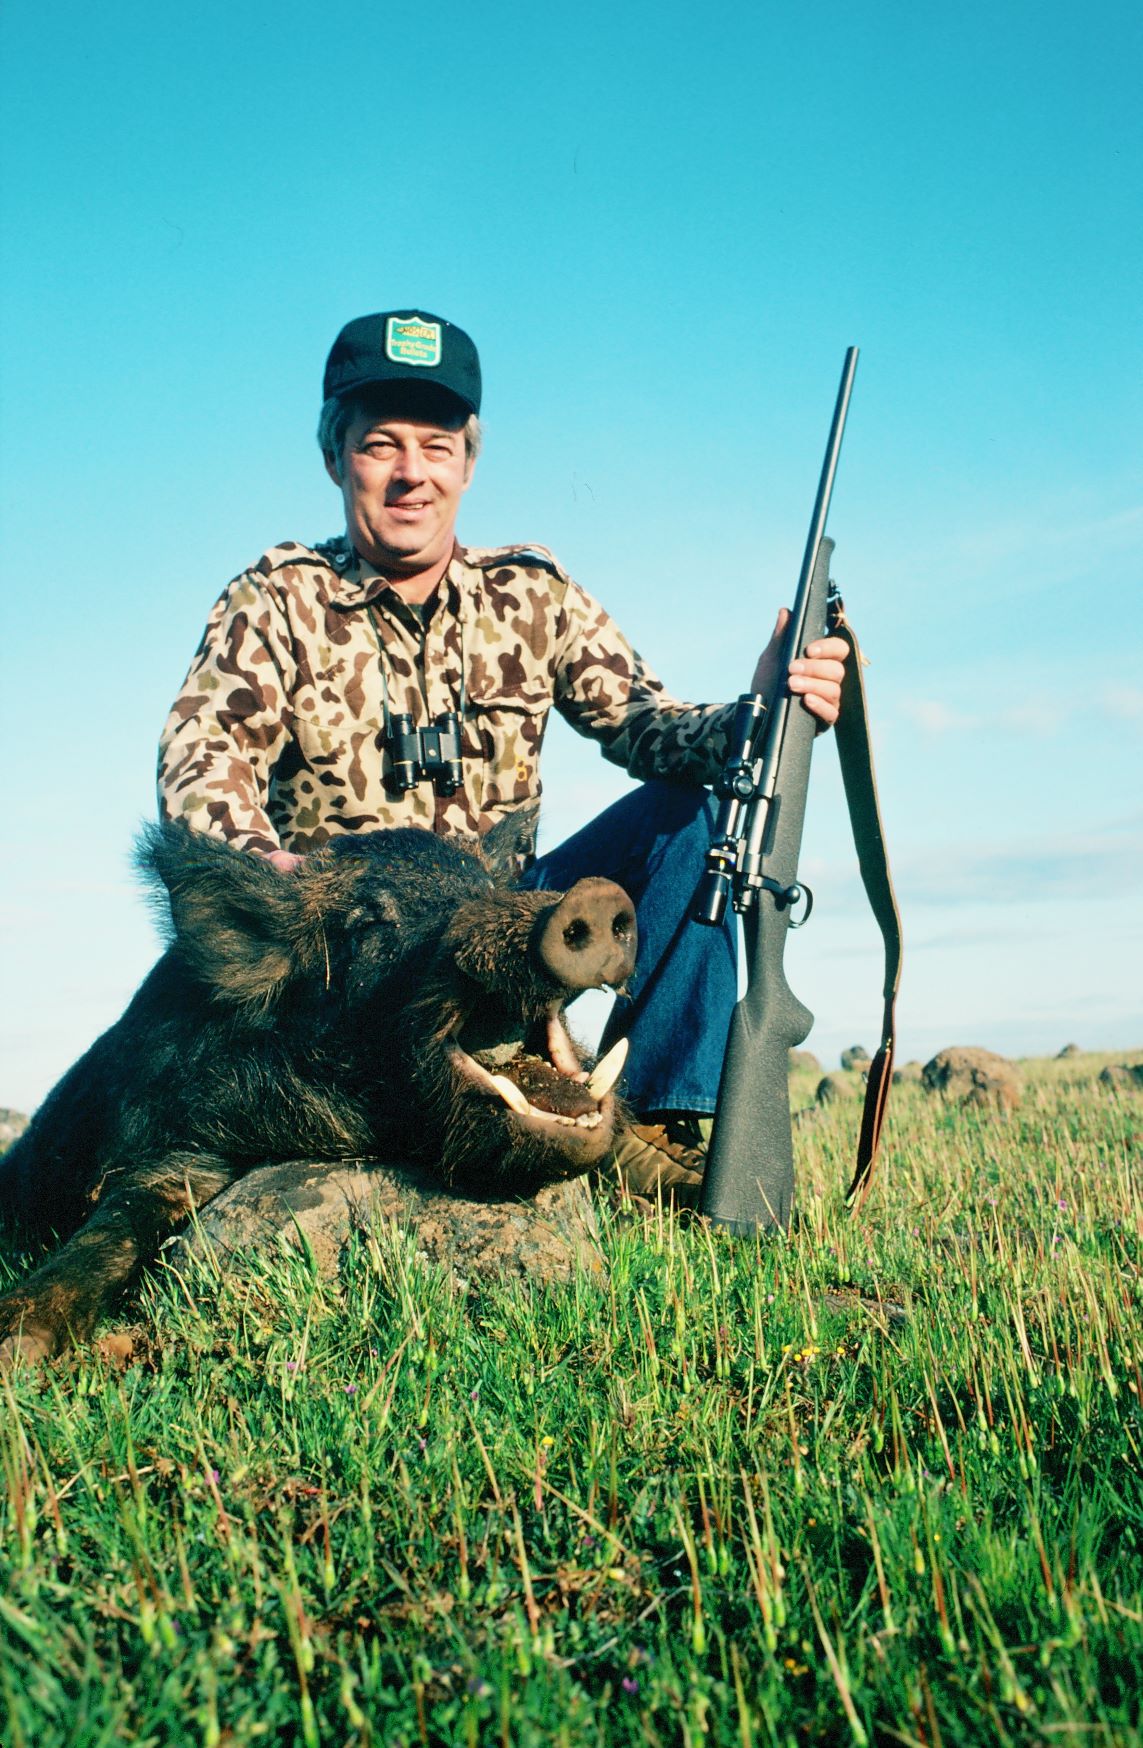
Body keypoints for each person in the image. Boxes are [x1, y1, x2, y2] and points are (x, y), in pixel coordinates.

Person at [158, 309, 849, 1200]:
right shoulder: (276, 601)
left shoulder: (533, 593)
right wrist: (264, 866)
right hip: (369, 955)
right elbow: (202, 752)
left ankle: (651, 1116)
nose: (412, 473)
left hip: (512, 921)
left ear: (469, 462)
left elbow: (646, 726)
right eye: (381, 445)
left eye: (437, 446)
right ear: (336, 458)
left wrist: (763, 708)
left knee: (690, 815)